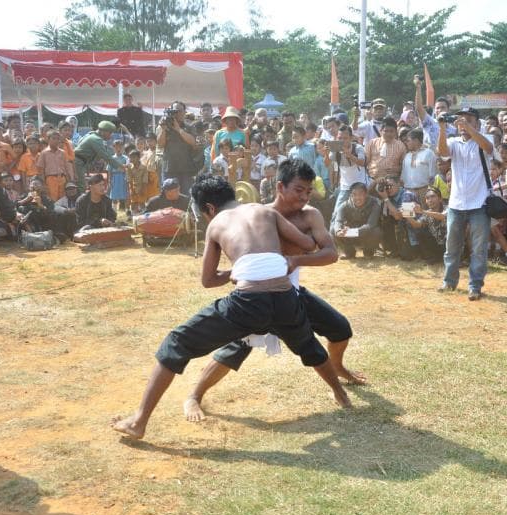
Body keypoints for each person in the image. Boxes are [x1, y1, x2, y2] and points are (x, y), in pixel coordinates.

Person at [111, 175, 351, 439]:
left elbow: (208, 280)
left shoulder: (216, 225)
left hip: (248, 301)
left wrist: (240, 268)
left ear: (210, 209)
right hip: (285, 296)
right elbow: (307, 244)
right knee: (307, 344)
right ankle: (340, 394)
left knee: (176, 342)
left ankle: (138, 421)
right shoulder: (263, 210)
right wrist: (271, 256)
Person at [183, 160, 363, 422]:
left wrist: (296, 260)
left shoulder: (310, 215)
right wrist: (238, 276)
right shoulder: (258, 215)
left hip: (291, 293)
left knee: (340, 329)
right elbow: (227, 263)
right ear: (280, 186)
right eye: (298, 190)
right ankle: (195, 396)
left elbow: (330, 254)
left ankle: (337, 370)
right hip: (255, 297)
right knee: (236, 349)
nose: (303, 197)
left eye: (308, 192)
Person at [437, 107, 494, 301]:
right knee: (452, 246)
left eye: (469, 119)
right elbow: (442, 151)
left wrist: (469, 129)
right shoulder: (453, 142)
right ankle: (449, 281)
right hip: (456, 203)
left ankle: (475, 286)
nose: (463, 123)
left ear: (477, 123)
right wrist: (443, 128)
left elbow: (488, 148)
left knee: (478, 248)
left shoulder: (484, 139)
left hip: (480, 203)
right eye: (461, 119)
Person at [331, 182, 382, 259]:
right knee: (333, 230)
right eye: (354, 194)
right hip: (350, 236)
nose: (357, 198)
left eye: (361, 194)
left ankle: (368, 252)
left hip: (366, 234)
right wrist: (339, 231)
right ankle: (349, 252)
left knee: (377, 231)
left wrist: (353, 231)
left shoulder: (375, 204)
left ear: (366, 194)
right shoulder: (344, 206)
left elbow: (371, 225)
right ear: (350, 195)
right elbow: (338, 221)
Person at [157, 101, 198, 193]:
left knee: (186, 197)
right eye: (174, 111)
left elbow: (193, 142)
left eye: (179, 111)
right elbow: (160, 144)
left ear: (184, 112)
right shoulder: (165, 126)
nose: (177, 113)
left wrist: (178, 129)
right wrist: (163, 129)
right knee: (168, 196)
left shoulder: (189, 126)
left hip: (186, 168)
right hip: (169, 168)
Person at [73, 121, 126, 190]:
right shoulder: (96, 139)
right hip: (78, 163)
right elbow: (106, 157)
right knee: (81, 187)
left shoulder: (90, 135)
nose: (111, 135)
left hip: (78, 162)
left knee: (77, 185)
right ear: (103, 132)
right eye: (110, 133)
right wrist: (120, 167)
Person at [402, 186, 447, 262]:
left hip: (449, 246)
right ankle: (432, 257)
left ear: (440, 199)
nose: (430, 200)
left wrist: (422, 211)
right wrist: (407, 214)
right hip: (438, 247)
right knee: (420, 232)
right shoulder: (426, 213)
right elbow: (416, 225)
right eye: (427, 198)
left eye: (433, 196)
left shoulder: (448, 208)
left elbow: (442, 216)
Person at [400, 128, 437, 206]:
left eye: (408, 140)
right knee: (408, 215)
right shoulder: (406, 156)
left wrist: (430, 192)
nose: (406, 143)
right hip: (408, 192)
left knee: (425, 215)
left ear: (416, 140)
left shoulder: (428, 153)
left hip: (424, 192)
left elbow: (433, 175)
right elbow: (402, 178)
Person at [365, 117, 407, 184]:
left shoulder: (401, 146)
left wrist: (397, 169)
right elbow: (365, 162)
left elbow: (405, 166)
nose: (388, 134)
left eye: (391, 131)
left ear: (396, 132)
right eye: (386, 131)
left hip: (392, 182)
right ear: (381, 131)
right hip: (372, 180)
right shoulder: (372, 143)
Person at [36, 130, 73, 201]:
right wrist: (43, 183)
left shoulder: (63, 153)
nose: (56, 140)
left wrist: (69, 180)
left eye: (58, 139)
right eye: (53, 138)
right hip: (50, 179)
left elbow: (67, 167)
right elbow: (41, 170)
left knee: (63, 198)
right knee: (52, 199)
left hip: (62, 178)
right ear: (48, 139)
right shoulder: (44, 153)